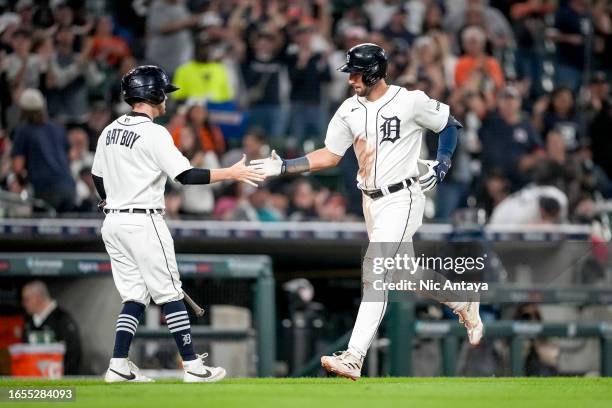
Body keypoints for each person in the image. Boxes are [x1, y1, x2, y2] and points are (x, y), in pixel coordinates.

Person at [249, 43, 483, 380]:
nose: (350, 79)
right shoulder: (348, 110)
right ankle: (463, 302)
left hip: (403, 197)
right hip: (370, 202)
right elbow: (329, 155)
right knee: (404, 273)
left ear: (374, 71)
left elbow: (449, 123)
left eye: (356, 73)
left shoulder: (409, 100)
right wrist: (284, 166)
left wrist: (443, 164)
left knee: (375, 271)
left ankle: (354, 356)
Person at [91, 65, 264, 383]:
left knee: (135, 295)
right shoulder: (154, 132)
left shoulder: (110, 129)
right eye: (163, 93)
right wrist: (230, 173)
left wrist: (108, 198)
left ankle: (118, 364)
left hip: (113, 223)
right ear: (153, 94)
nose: (166, 100)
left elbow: (97, 176)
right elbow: (185, 176)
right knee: (170, 294)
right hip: (143, 221)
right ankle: (194, 367)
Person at [10, 88, 76, 212]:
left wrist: (21, 181)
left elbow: (18, 166)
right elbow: (71, 155)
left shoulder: (23, 131)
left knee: (41, 229)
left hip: (45, 190)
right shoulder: (57, 127)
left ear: (23, 111)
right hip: (69, 187)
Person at [22, 281, 82, 375]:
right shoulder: (28, 323)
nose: (24, 304)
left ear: (38, 297)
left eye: (27, 299)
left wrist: (64, 382)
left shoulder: (63, 320)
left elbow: (74, 355)